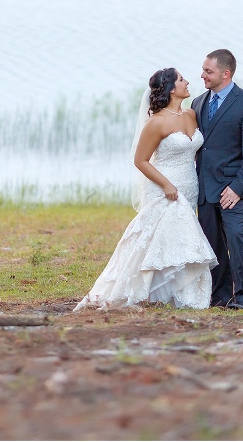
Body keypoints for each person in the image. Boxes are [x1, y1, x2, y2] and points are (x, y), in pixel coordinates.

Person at [73, 68, 217, 311]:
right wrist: (166, 185)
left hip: (190, 186)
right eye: (182, 79)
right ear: (171, 88)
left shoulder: (191, 114)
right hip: (165, 188)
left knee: (174, 239)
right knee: (155, 239)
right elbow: (141, 160)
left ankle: (170, 293)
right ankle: (151, 291)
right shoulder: (156, 122)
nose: (188, 81)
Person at [191, 49, 243, 311]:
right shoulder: (197, 103)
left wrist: (237, 188)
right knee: (213, 244)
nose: (202, 75)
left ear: (226, 73)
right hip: (205, 189)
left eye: (208, 71)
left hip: (235, 189)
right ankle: (220, 296)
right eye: (203, 70)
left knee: (237, 239)